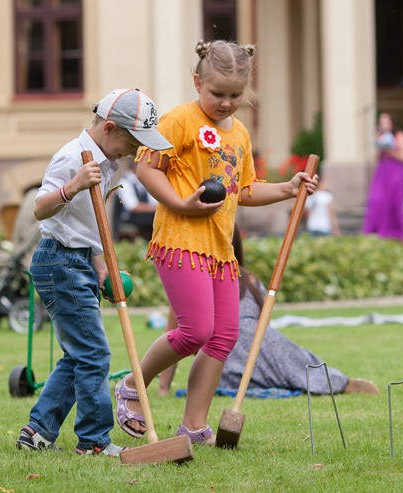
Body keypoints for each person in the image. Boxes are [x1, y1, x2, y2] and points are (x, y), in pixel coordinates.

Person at [115, 40, 318, 446]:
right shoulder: (179, 122)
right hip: (179, 240)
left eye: (235, 95)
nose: (226, 103)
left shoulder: (239, 133)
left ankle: (193, 425)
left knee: (223, 335)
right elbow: (147, 167)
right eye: (217, 94)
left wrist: (288, 188)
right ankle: (131, 386)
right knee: (194, 330)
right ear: (197, 83)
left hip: (221, 250)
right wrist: (179, 203)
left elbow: (242, 190)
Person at [15, 88, 173, 457]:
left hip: (81, 260)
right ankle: (94, 441)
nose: (136, 150)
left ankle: (37, 432)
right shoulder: (72, 157)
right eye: (133, 140)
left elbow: (89, 225)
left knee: (79, 354)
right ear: (109, 128)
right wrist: (72, 187)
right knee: (95, 354)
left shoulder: (106, 162)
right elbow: (40, 209)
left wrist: (102, 266)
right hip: (59, 262)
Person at [158, 230, 378, 396]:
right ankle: (338, 382)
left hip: (224, 359)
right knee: (294, 362)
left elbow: (173, 334)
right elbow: (266, 326)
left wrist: (163, 388)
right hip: (254, 343)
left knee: (261, 370)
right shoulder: (250, 279)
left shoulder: (196, 281)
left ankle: (330, 382)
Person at [362, 112, 403, 242]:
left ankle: (397, 233)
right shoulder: (380, 136)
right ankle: (378, 231)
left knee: (394, 202)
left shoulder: (399, 136)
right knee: (377, 200)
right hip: (382, 172)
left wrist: (390, 150)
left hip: (395, 172)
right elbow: (375, 158)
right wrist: (379, 145)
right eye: (381, 122)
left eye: (386, 122)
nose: (383, 124)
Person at [115, 159, 158, 240]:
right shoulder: (124, 182)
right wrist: (156, 208)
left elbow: (154, 201)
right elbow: (133, 207)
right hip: (130, 220)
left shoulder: (145, 181)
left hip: (146, 220)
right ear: (136, 166)